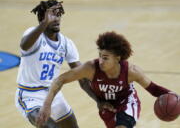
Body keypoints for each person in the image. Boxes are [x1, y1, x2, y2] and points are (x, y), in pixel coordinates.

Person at [37, 31, 175, 128]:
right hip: (106, 107)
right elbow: (59, 80)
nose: (101, 61)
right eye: (100, 55)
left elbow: (155, 89)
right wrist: (46, 105)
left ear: (117, 58)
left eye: (106, 57)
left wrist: (175, 98)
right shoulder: (90, 68)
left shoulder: (131, 71)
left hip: (127, 103)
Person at [15, 0, 95, 128]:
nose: (57, 19)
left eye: (58, 15)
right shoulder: (34, 36)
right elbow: (24, 45)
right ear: (43, 18)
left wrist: (98, 100)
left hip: (52, 95)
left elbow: (82, 77)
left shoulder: (66, 43)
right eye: (52, 15)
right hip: (29, 95)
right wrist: (44, 23)